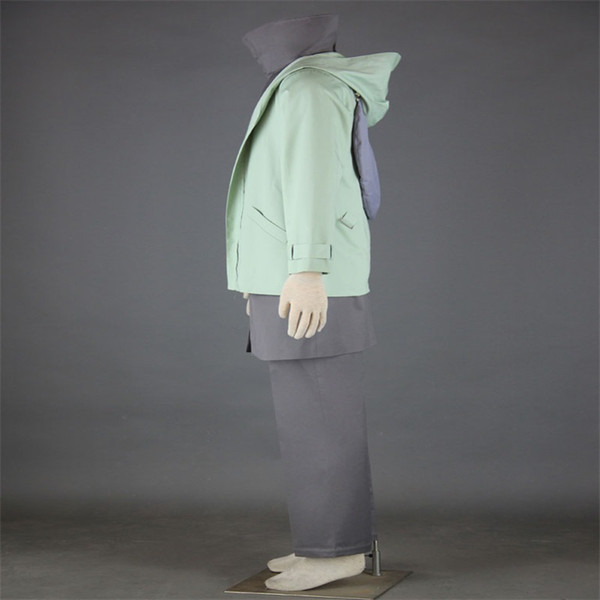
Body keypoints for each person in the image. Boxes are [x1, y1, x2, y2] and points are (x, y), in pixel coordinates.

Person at [225, 13, 400, 591]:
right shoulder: (305, 85)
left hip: (306, 276)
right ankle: (322, 543)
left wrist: (306, 271)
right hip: (290, 274)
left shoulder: (308, 87)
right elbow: (276, 188)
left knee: (321, 416)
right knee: (310, 416)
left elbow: (312, 182)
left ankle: (335, 553)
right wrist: (258, 276)